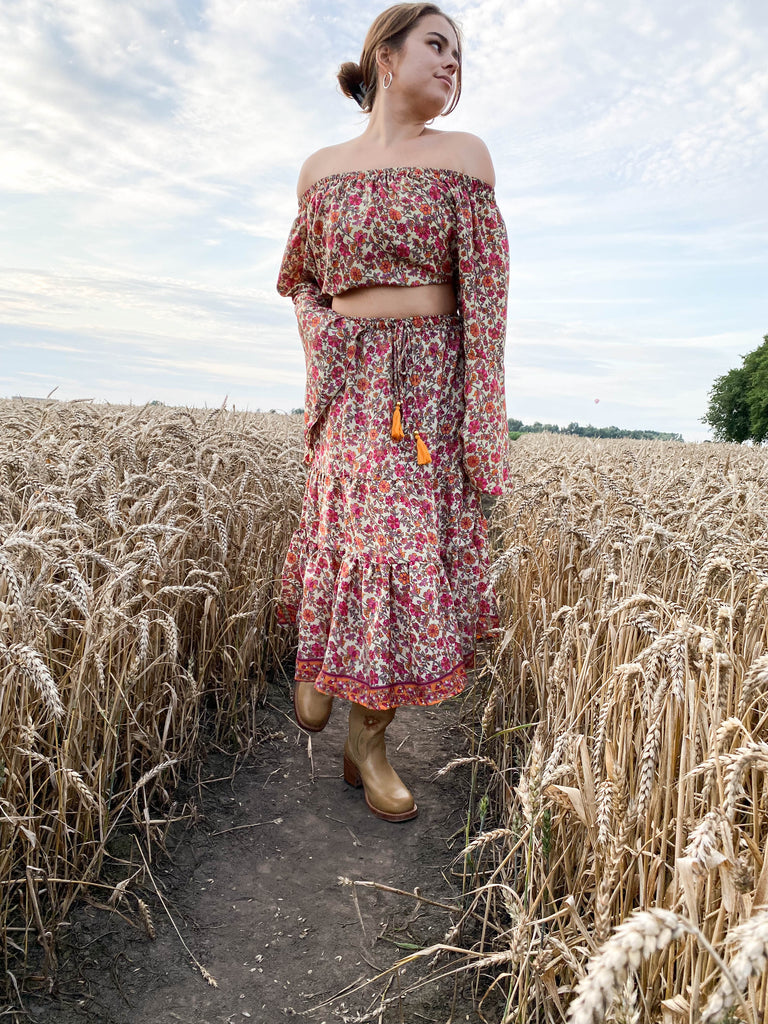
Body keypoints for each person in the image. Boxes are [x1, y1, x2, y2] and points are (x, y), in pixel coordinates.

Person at [276, 2, 510, 823]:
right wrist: (327, 340)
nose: (453, 64)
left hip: (430, 388)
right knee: (347, 536)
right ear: (386, 53)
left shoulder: (464, 158)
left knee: (405, 554)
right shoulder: (320, 170)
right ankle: (326, 688)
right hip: (351, 384)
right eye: (437, 45)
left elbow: (487, 296)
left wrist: (483, 419)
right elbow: (300, 277)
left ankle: (370, 743)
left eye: (461, 54)